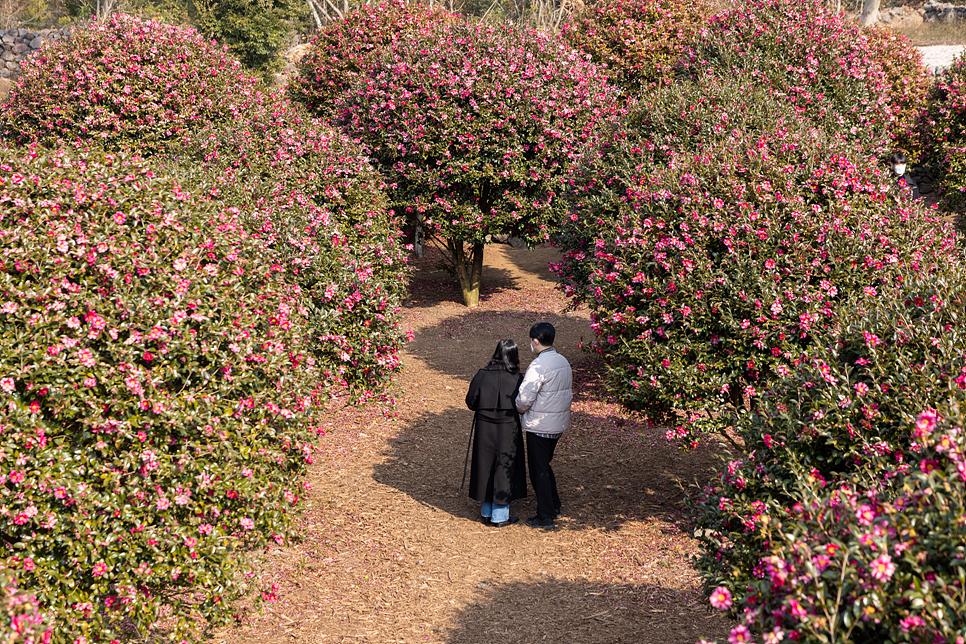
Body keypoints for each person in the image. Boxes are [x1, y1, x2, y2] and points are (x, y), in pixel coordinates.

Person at [515, 322, 573, 530]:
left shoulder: (538, 365)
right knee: (545, 466)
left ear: (536, 341)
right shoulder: (563, 361)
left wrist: (518, 410)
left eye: (531, 340)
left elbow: (525, 397)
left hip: (540, 426)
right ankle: (554, 505)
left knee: (538, 470)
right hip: (557, 424)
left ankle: (545, 515)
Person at [464, 339, 527, 527]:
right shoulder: (518, 377)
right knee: (505, 466)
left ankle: (486, 511)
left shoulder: (482, 375)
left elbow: (470, 401)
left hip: (485, 425)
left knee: (485, 464)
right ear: (514, 355)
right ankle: (500, 516)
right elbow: (523, 404)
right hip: (509, 426)